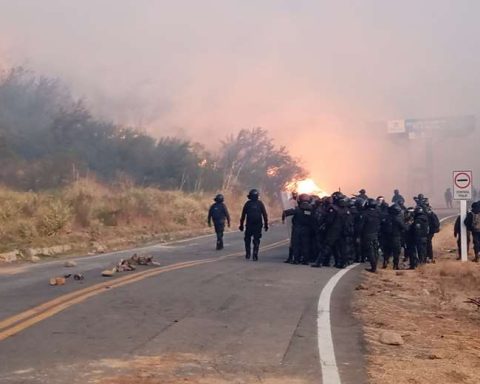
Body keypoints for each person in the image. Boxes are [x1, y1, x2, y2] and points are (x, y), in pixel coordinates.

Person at [282, 193, 313, 264]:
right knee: (305, 244)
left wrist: (283, 219)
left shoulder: (297, 209)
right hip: (307, 229)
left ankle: (296, 259)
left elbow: (285, 213)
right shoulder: (312, 209)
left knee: (296, 244)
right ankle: (305, 260)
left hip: (297, 229)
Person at [239, 189, 269, 261]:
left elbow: (243, 215)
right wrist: (266, 224)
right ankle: (255, 254)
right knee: (256, 240)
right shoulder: (260, 203)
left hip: (249, 225)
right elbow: (265, 215)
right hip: (258, 225)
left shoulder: (247, 204)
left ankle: (248, 253)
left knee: (247, 239)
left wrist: (241, 225)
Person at [359, 198, 381, 273]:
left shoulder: (365, 213)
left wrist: (359, 235)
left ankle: (373, 267)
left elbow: (361, 226)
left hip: (367, 234)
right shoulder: (378, 213)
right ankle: (375, 266)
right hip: (375, 233)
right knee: (375, 250)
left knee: (370, 251)